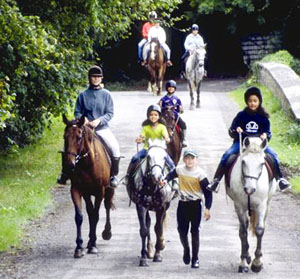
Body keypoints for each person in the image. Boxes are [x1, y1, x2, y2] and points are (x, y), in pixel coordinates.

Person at [207, 86, 290, 193]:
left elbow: (268, 132)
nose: (252, 103)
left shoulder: (263, 117)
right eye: (250, 101)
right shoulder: (241, 115)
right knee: (227, 155)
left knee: (273, 155)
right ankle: (216, 181)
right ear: (247, 102)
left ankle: (280, 179)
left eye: (255, 101)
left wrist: (265, 135)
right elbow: (231, 130)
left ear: (259, 101)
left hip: (258, 145)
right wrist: (236, 130)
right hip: (242, 143)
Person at [57, 65, 121, 188]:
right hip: (85, 129)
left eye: (98, 77)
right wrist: (83, 119)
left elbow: (110, 113)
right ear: (89, 78)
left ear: (101, 79)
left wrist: (99, 121)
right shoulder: (83, 95)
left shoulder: (106, 94)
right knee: (66, 148)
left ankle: (113, 176)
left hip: (102, 128)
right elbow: (77, 111)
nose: (96, 79)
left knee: (115, 147)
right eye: (93, 77)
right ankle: (64, 174)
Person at [161, 148, 212, 268]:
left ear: (196, 160)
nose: (189, 161)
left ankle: (195, 258)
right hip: (183, 204)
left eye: (192, 158)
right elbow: (170, 175)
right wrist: (165, 180)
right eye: (187, 158)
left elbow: (208, 193)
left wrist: (207, 208)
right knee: (181, 231)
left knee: (195, 231)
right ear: (183, 159)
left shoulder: (201, 174)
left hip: (195, 205)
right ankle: (186, 249)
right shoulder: (180, 170)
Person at [124, 104, 175, 182]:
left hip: (160, 150)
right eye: (151, 115)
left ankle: (175, 181)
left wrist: (166, 138)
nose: (153, 117)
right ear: (148, 116)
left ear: (159, 116)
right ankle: (128, 176)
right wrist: (140, 139)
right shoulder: (145, 128)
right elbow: (142, 136)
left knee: (171, 163)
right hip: (147, 149)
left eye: (155, 115)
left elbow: (165, 135)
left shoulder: (162, 127)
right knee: (134, 158)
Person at [158, 80, 188, 147]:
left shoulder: (177, 99)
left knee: (183, 124)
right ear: (167, 88)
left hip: (174, 115)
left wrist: (181, 110)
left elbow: (181, 109)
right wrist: (159, 106)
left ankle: (184, 139)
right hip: (165, 116)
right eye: (169, 87)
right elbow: (158, 108)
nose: (171, 89)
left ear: (175, 89)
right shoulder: (163, 99)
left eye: (172, 87)